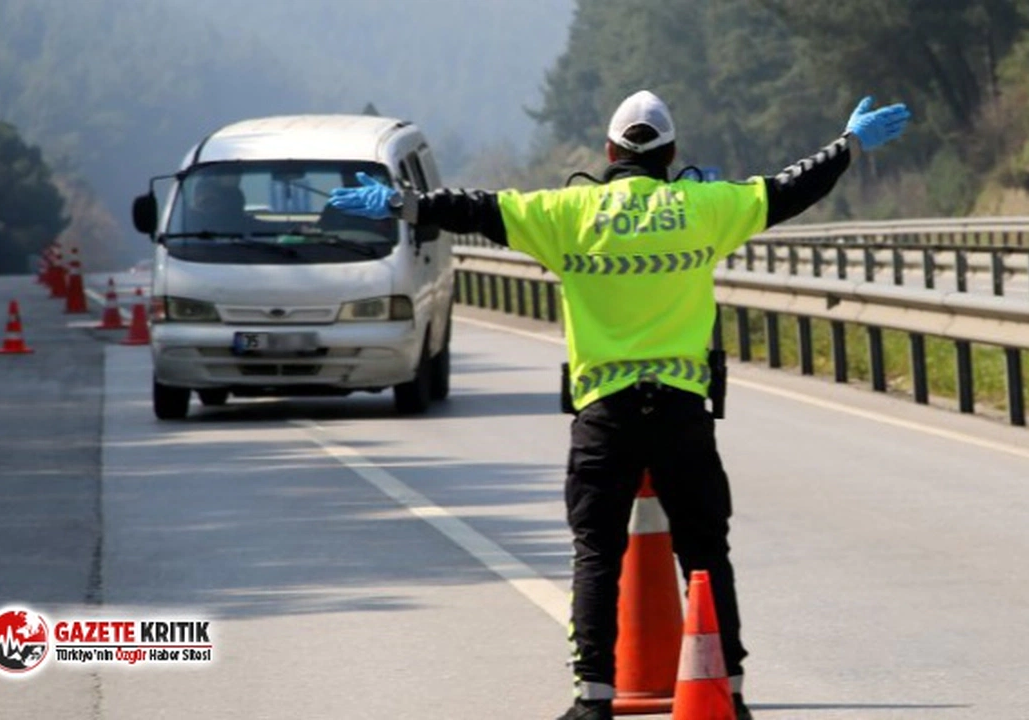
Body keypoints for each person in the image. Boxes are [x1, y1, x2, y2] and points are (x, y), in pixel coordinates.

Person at [328, 90, 910, 720]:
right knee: (705, 552)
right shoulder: (705, 206)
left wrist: (401, 202)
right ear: (672, 155)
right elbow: (790, 188)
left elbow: (477, 209)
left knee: (597, 554)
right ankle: (729, 693)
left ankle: (594, 700)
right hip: (683, 411)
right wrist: (846, 145)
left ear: (608, 153)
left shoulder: (568, 212)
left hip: (604, 412)